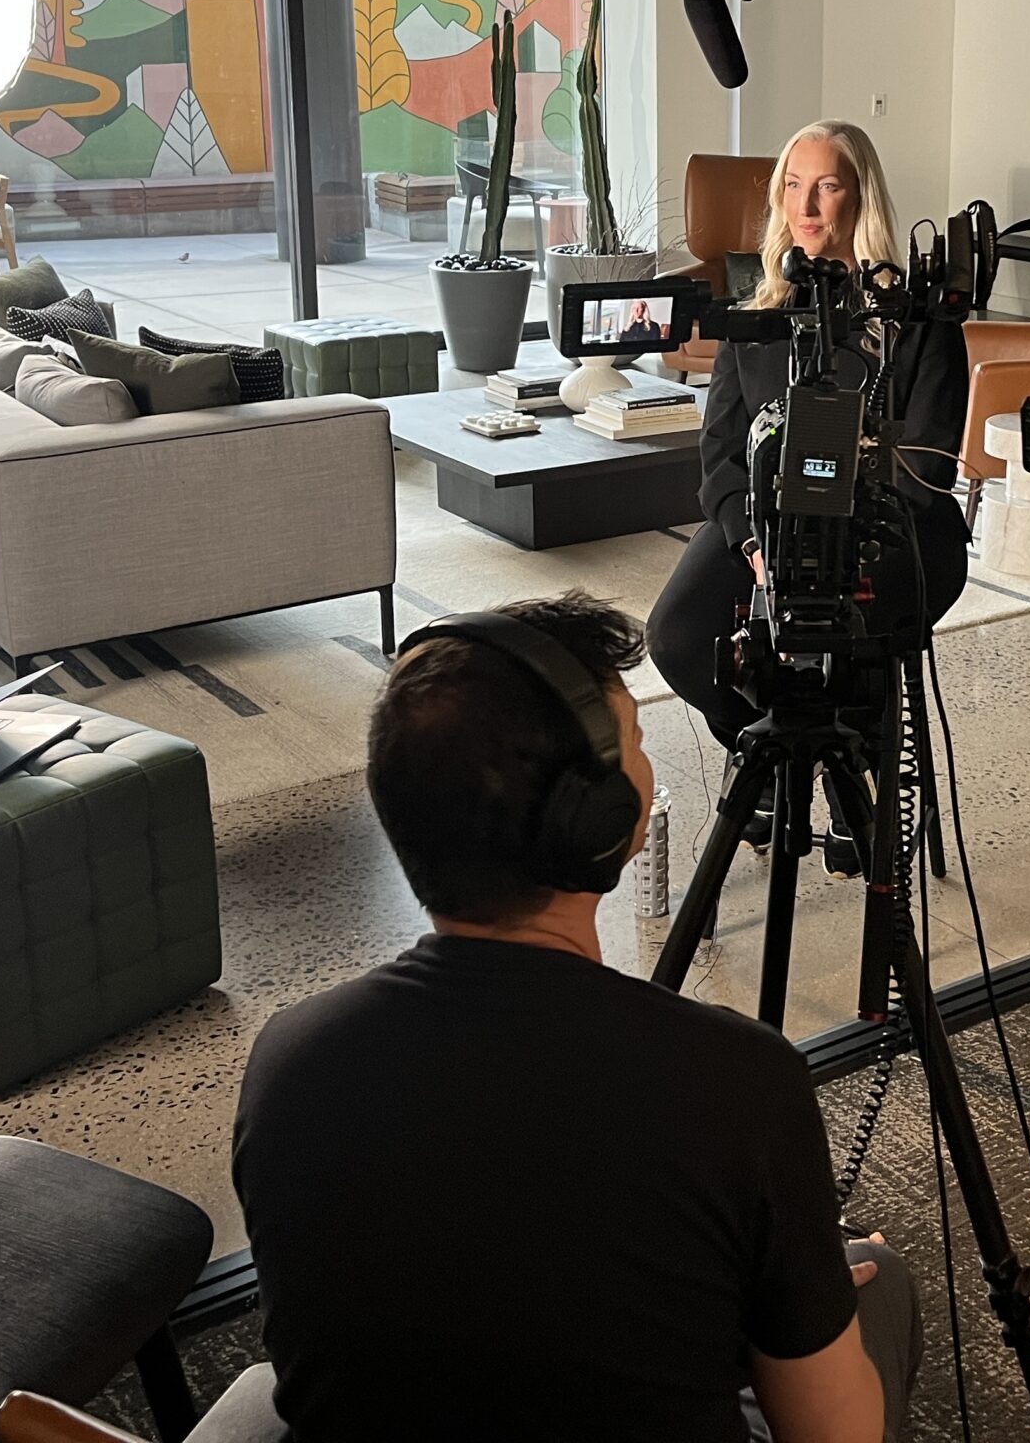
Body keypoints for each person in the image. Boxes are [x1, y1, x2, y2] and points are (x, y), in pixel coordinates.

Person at [233, 592, 921, 1443]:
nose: (645, 758)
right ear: (591, 819)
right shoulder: (733, 1079)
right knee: (877, 1278)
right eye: (633, 741)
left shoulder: (289, 1058)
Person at [648, 120, 970, 749]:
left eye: (826, 186)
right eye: (793, 185)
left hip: (889, 528)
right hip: (762, 524)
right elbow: (719, 454)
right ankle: (765, 751)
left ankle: (859, 792)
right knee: (678, 638)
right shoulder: (755, 318)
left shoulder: (919, 322)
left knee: (855, 657)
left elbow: (927, 468)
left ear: (861, 197)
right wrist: (755, 547)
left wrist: (839, 548)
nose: (806, 206)